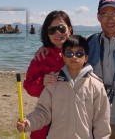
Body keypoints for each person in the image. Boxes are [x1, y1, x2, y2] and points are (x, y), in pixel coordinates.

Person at [35, 0, 115, 139]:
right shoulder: (90, 42)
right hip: (93, 119)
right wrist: (47, 47)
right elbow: (69, 48)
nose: (109, 19)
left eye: (114, 14)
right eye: (104, 14)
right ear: (98, 17)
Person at [17, 35, 111, 139]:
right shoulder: (53, 84)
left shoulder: (96, 86)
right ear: (64, 57)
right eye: (69, 53)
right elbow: (42, 112)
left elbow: (102, 121)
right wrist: (28, 122)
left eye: (79, 53)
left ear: (86, 58)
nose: (74, 57)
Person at [23, 10, 73, 139]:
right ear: (47, 33)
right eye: (52, 30)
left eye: (61, 28)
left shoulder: (80, 54)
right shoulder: (41, 57)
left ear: (70, 29)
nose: (57, 33)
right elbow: (29, 87)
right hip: (46, 121)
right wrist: (42, 83)